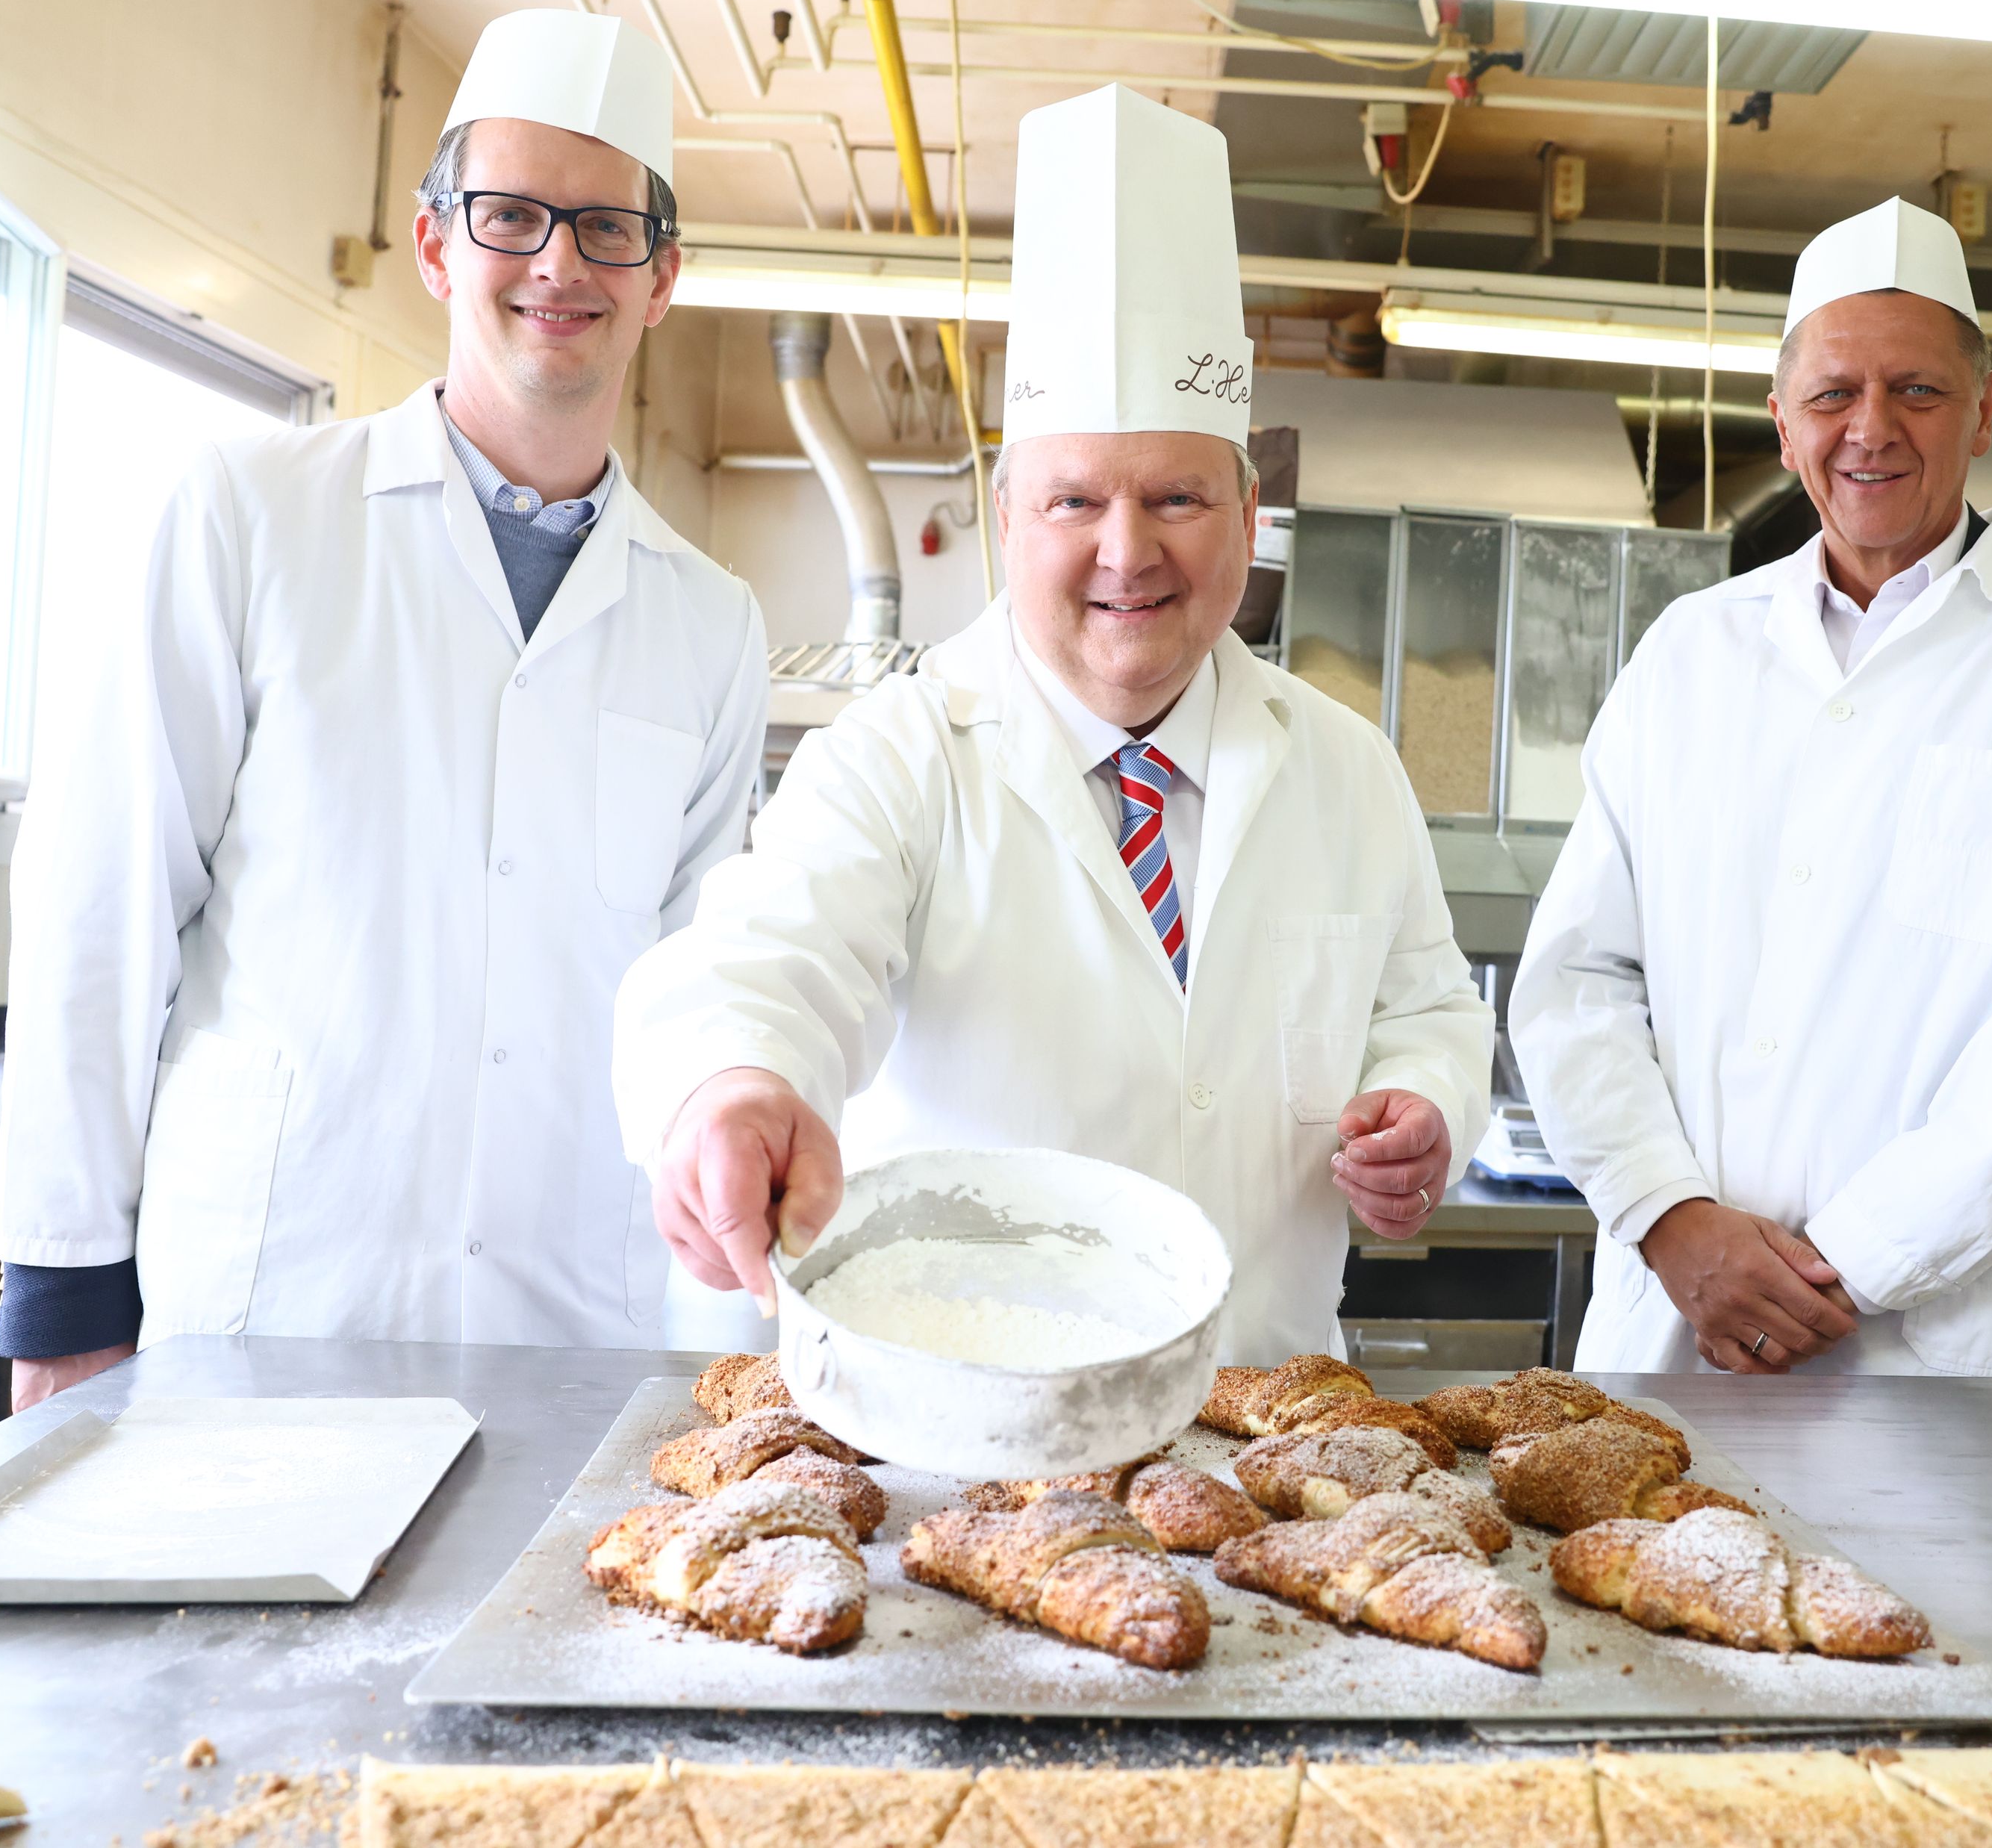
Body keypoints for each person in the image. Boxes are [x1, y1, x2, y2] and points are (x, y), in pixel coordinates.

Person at [613, 85, 1492, 1363]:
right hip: (981, 1432)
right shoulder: (903, 757)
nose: (1126, 553)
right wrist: (738, 1082)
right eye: (1075, 501)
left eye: (1177, 498)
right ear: (1008, 520)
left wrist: (1428, 1101)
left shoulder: (1347, 770)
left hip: (1267, 1421)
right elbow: (770, 958)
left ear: (1250, 518)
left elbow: (1427, 1006)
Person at [0, 10, 768, 1407]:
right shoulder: (248, 515)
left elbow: (696, 998)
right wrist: (62, 1290)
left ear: (663, 279)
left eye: (607, 230)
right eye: (511, 215)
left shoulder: (711, 624)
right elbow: (101, 899)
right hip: (273, 1298)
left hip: (569, 1324)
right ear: (434, 246)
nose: (558, 264)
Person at [1509, 197, 1992, 1379]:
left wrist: (1843, 1267)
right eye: (1833, 394)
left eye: (1919, 390)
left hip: (1951, 1354)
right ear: (1783, 423)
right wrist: (1670, 1220)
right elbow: (1580, 978)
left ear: (1984, 411)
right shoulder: (1692, 652)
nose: (1871, 428)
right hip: (1680, 1322)